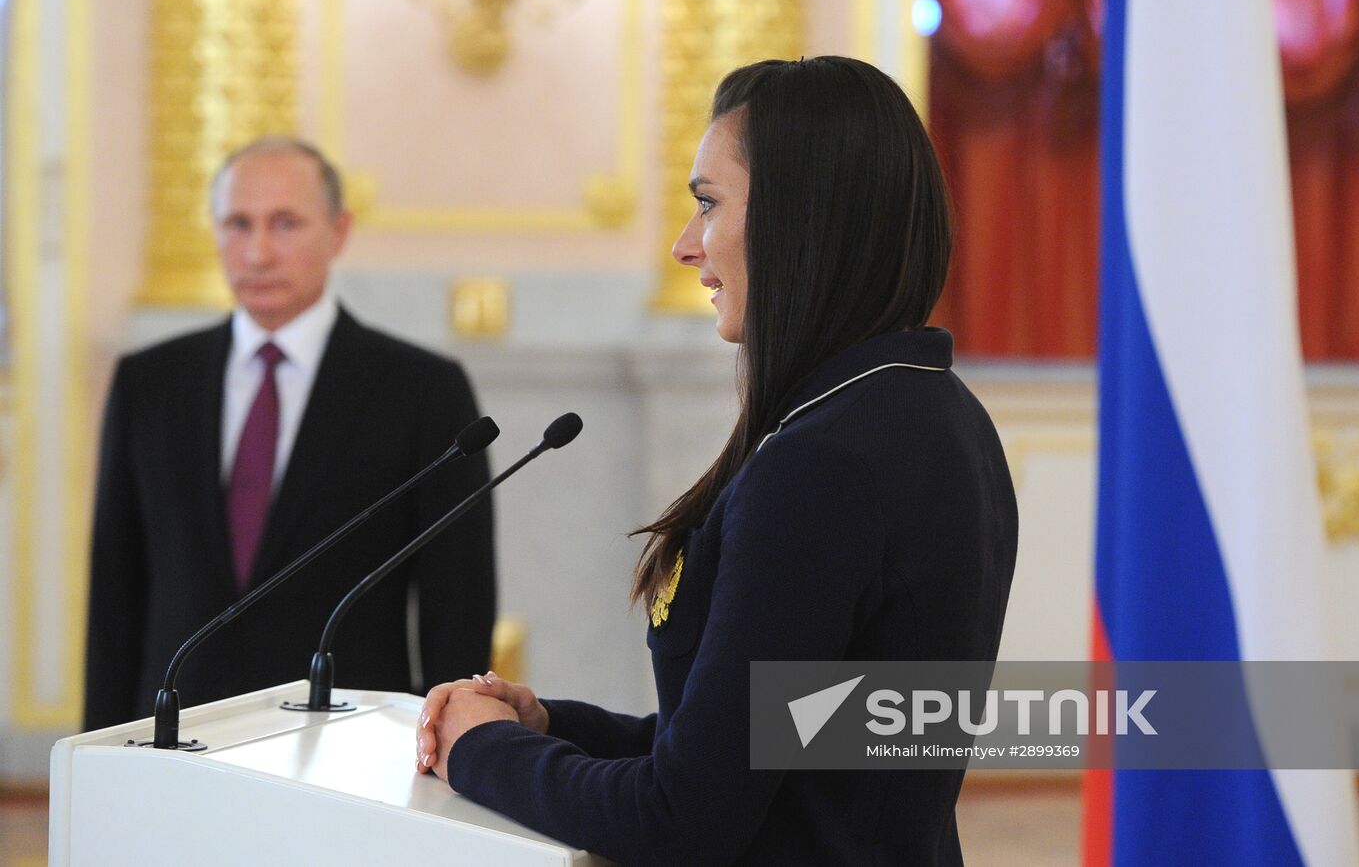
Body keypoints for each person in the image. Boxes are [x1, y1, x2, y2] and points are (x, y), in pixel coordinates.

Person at [415, 57, 1017, 864]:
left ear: (800, 218)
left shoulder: (822, 466)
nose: (683, 245)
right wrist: (550, 726)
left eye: (708, 203)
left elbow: (680, 820)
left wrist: (479, 750)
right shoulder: (932, 410)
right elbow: (782, 753)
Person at [83, 136, 496, 731]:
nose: (257, 253)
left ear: (338, 231)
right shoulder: (148, 383)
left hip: (346, 739)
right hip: (173, 735)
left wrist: (446, 749)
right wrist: (97, 752)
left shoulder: (423, 390)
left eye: (285, 224)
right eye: (238, 224)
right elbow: (114, 594)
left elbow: (456, 602)